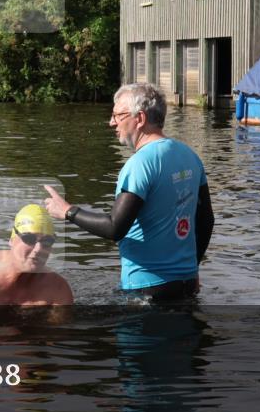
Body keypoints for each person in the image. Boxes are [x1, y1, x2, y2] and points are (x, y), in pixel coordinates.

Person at [44, 83, 214, 301]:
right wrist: (193, 267)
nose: (111, 122)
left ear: (140, 119)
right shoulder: (190, 155)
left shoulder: (140, 164)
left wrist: (68, 211)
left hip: (146, 289)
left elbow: (115, 228)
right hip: (187, 284)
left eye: (117, 115)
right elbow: (206, 220)